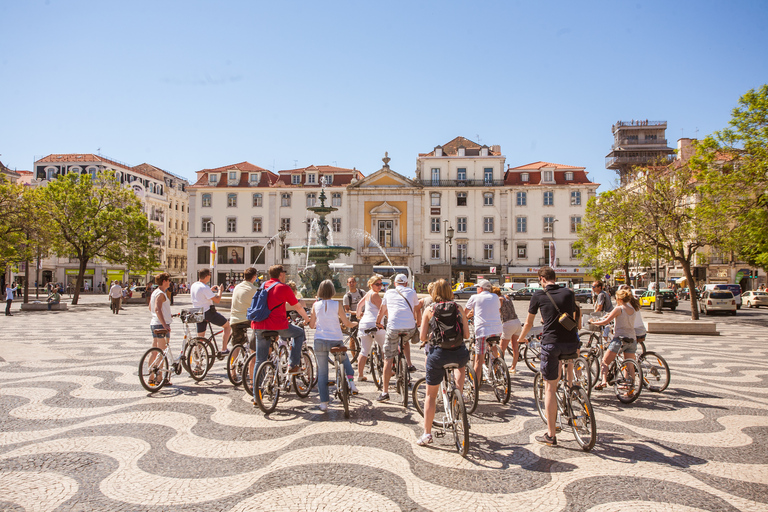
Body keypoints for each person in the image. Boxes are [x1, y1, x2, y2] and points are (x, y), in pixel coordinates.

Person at [518, 266, 580, 447]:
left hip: (551, 343)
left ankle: (551, 435)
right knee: (567, 367)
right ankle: (571, 393)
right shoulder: (569, 293)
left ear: (542, 279)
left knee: (550, 388)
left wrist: (522, 339)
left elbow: (529, 323)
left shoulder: (538, 295)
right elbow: (572, 317)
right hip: (571, 343)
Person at [416, 279, 470, 446]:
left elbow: (422, 337)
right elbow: (467, 335)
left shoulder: (429, 309)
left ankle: (426, 434)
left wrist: (430, 338)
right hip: (459, 353)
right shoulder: (459, 308)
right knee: (460, 367)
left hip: (438, 354)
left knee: (430, 396)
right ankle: (458, 397)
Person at [251, 264, 311, 376]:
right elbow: (297, 306)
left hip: (258, 324)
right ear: (281, 274)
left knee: (260, 360)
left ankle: (258, 392)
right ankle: (293, 365)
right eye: (284, 273)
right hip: (277, 325)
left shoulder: (263, 285)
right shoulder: (283, 287)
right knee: (299, 333)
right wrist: (307, 319)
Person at [309, 279, 359, 412]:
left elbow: (311, 325)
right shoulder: (337, 304)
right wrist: (354, 324)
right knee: (344, 358)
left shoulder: (315, 305)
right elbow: (346, 323)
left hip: (319, 340)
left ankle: (324, 403)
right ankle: (351, 382)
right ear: (332, 291)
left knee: (322, 373)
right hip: (335, 339)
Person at [374, 273, 418, 402]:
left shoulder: (389, 293)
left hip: (393, 328)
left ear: (395, 284)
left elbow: (382, 310)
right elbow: (416, 309)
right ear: (406, 283)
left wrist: (378, 323)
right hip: (410, 328)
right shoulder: (412, 292)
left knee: (388, 359)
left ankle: (385, 392)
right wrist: (417, 322)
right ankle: (408, 365)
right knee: (405, 341)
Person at [590, 288, 638, 391]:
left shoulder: (619, 309)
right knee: (629, 365)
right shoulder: (632, 309)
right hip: (632, 339)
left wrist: (593, 323)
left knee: (605, 361)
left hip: (619, 339)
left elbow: (605, 322)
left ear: (619, 299)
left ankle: (603, 381)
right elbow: (613, 315)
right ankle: (631, 389)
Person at [465, 280, 503, 383]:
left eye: (478, 288)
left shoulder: (474, 297)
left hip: (482, 331)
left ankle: (475, 386)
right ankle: (497, 365)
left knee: (478, 360)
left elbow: (465, 312)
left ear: (480, 289)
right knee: (493, 346)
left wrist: (463, 320)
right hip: (497, 330)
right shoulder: (495, 297)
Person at [190, 268, 232, 356]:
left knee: (200, 337)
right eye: (209, 275)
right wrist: (220, 291)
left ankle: (197, 357)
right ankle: (224, 349)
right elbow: (217, 300)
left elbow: (201, 294)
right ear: (206, 276)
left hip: (197, 312)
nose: (210, 277)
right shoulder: (204, 287)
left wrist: (210, 290)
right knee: (227, 326)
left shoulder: (194, 285)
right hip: (208, 312)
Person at [355, 274, 386, 381]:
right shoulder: (375, 295)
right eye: (377, 284)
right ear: (371, 285)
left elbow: (359, 305)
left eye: (381, 284)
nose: (379, 286)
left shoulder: (368, 294)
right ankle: (388, 370)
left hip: (364, 324)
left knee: (364, 351)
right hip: (375, 324)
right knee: (385, 348)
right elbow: (383, 310)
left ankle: (360, 375)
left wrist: (358, 316)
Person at [148, 272, 173, 385]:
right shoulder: (161, 294)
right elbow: (157, 309)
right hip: (160, 325)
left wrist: (166, 314)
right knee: (161, 352)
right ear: (164, 281)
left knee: (154, 351)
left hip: (154, 323)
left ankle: (151, 377)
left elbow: (151, 308)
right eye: (168, 280)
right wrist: (165, 324)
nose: (169, 282)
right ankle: (160, 378)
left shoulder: (155, 292)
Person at [229, 267, 260, 349]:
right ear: (254, 277)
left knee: (236, 345)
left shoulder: (237, 287)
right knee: (261, 330)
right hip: (246, 319)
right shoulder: (254, 290)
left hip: (234, 320)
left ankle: (232, 361)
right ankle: (253, 355)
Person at [496, 286, 522, 374]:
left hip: (508, 323)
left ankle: (500, 367)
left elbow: (499, 312)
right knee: (515, 347)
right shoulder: (506, 297)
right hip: (517, 322)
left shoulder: (499, 300)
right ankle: (513, 367)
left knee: (501, 348)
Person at [343, 276, 365, 351]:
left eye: (353, 282)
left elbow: (368, 302)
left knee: (364, 336)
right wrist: (356, 312)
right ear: (347, 284)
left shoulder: (362, 292)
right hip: (354, 318)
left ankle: (365, 354)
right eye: (350, 282)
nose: (351, 283)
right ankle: (354, 357)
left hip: (363, 317)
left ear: (355, 283)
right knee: (352, 338)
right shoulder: (347, 296)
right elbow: (347, 310)